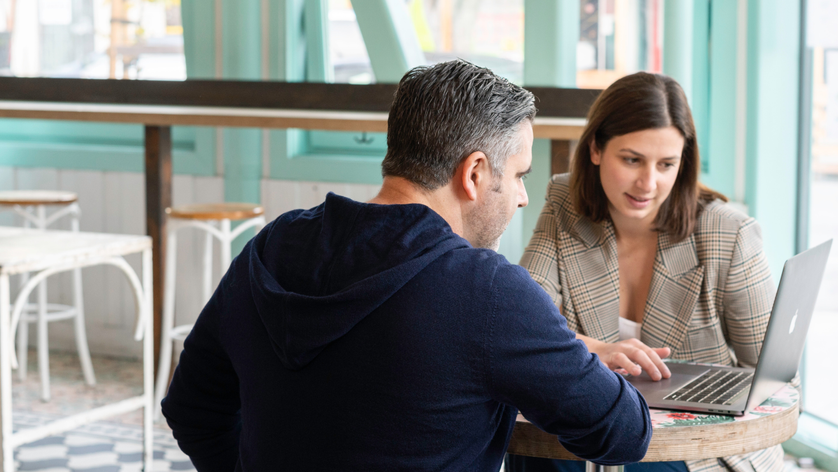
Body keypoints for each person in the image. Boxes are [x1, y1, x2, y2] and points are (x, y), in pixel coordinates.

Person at [161, 60, 652, 472]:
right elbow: (625, 433)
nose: (523, 197)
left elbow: (191, 409)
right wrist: (567, 355)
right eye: (520, 174)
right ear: (475, 173)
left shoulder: (271, 246)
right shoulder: (487, 290)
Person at [510, 72, 784, 472]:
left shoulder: (728, 233)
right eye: (632, 159)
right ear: (596, 149)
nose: (648, 183)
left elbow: (772, 376)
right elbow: (523, 327)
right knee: (538, 453)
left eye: (666, 164)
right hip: (594, 429)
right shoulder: (564, 205)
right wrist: (598, 351)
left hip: (693, 447)